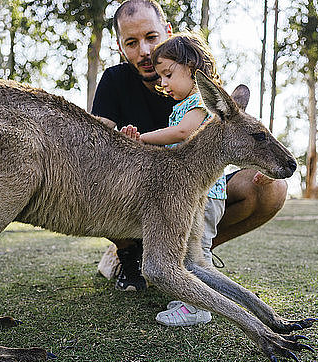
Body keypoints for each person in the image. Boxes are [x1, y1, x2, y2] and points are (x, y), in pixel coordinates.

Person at [91, 0, 288, 323]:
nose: (143, 51)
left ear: (168, 33)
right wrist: (120, 143)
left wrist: (263, 168)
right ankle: (131, 254)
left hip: (194, 190)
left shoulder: (194, 82)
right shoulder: (115, 81)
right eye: (131, 42)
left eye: (151, 37)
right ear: (120, 46)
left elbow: (237, 134)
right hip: (141, 195)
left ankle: (186, 263)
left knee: (273, 188)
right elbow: (96, 140)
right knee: (96, 180)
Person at [118, 32, 224, 326]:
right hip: (184, 192)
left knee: (196, 251)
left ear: (192, 67)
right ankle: (188, 298)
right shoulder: (182, 103)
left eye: (168, 74)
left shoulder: (203, 100)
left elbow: (182, 134)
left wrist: (142, 138)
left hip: (204, 192)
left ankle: (196, 307)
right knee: (183, 249)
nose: (162, 83)